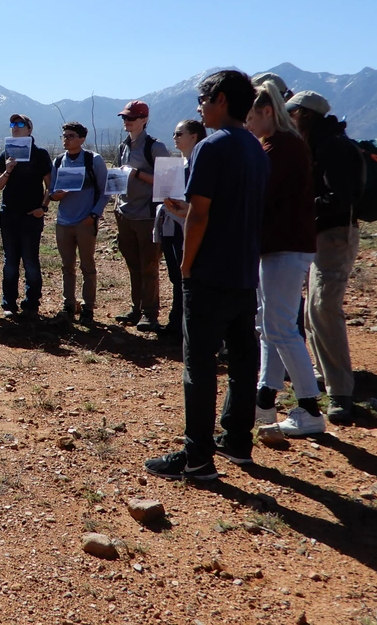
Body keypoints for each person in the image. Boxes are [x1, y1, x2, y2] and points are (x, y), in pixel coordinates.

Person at [145, 70, 269, 480]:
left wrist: (185, 265)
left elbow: (200, 214)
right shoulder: (256, 147)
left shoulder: (210, 147)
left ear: (220, 99)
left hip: (210, 271)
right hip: (244, 271)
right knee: (242, 356)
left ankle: (197, 458)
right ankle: (237, 441)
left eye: (202, 97)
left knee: (198, 365)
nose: (199, 105)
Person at [245, 82, 325, 437]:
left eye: (249, 116)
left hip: (286, 247)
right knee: (269, 324)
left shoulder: (281, 147)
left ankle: (309, 408)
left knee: (280, 327)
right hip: (278, 246)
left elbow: (260, 197)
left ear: (266, 111)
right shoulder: (278, 144)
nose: (246, 124)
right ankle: (265, 400)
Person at [287, 90, 365, 424]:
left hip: (335, 236)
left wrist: (299, 206)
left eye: (290, 111)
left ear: (304, 114)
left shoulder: (333, 147)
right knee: (312, 311)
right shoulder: (319, 143)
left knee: (323, 308)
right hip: (319, 235)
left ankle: (340, 392)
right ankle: (325, 377)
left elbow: (340, 198)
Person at [114, 100, 171, 331]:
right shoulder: (123, 147)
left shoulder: (156, 148)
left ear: (144, 120)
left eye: (131, 118)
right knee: (133, 265)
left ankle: (151, 314)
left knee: (149, 266)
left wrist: (137, 174)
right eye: (124, 118)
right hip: (125, 213)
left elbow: (168, 183)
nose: (126, 121)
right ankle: (137, 309)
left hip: (147, 215)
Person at [47, 122, 109, 325]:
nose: (66, 139)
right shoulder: (58, 161)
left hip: (85, 222)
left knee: (88, 266)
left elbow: (104, 191)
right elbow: (52, 193)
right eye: (64, 136)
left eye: (71, 136)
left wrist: (93, 215)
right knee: (67, 266)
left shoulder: (93, 160)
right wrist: (58, 194)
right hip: (63, 222)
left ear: (82, 139)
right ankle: (68, 305)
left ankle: (88, 307)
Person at [0, 114, 52, 319]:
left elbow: (50, 185)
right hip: (8, 215)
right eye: (12, 124)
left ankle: (31, 304)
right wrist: (8, 170)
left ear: (29, 129)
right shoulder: (5, 155)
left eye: (20, 124)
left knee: (31, 262)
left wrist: (42, 208)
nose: (15, 128)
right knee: (10, 262)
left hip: (30, 217)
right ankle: (8, 303)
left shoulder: (40, 155)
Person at [154, 120, 206, 341]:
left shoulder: (201, 164)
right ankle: (177, 324)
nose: (174, 137)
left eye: (179, 133)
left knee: (191, 276)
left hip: (191, 226)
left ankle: (189, 328)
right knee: (177, 276)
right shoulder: (180, 164)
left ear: (194, 136)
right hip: (172, 224)